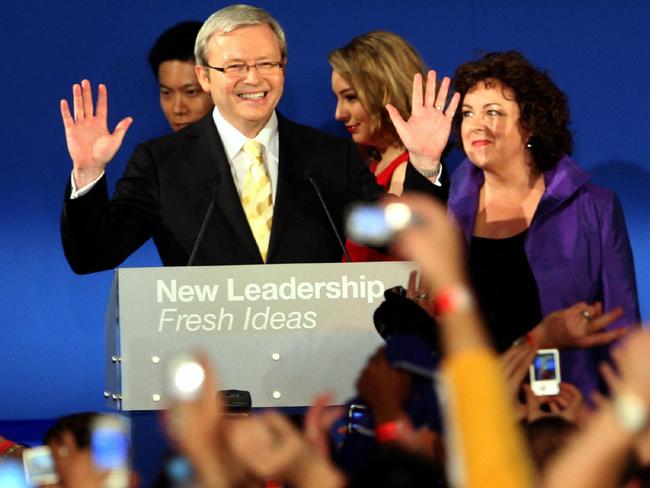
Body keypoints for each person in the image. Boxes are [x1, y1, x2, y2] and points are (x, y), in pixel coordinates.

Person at [59, 4, 456, 273]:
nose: (253, 79)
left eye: (266, 63)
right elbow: (93, 254)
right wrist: (88, 172)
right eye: (235, 66)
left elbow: (401, 241)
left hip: (314, 371)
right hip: (210, 371)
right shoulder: (162, 163)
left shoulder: (328, 158)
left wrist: (422, 164)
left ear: (283, 67)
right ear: (204, 75)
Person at [407, 50, 638, 398]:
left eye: (493, 112)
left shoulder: (593, 206)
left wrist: (627, 422)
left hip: (568, 411)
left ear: (530, 123)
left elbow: (621, 325)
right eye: (468, 113)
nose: (476, 125)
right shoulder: (450, 209)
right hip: (480, 413)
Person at [329, 32, 449, 262]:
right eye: (337, 98)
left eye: (351, 97)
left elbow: (408, 239)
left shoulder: (408, 170)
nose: (339, 114)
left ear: (386, 92)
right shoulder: (367, 166)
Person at [147, 21, 214, 132]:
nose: (177, 109)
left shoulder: (250, 145)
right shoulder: (151, 149)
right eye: (166, 93)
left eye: (191, 92)